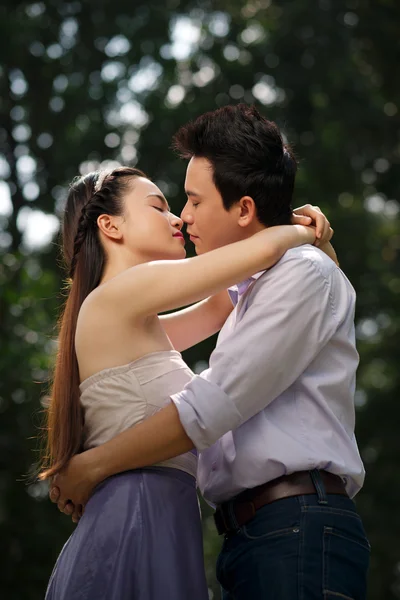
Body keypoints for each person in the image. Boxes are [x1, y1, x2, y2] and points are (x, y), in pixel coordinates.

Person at [50, 104, 370, 599]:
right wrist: (299, 231)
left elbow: (222, 307)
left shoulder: (140, 323)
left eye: (190, 201)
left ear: (241, 206)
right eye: (161, 206)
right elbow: (248, 268)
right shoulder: (121, 296)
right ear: (111, 227)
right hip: (154, 519)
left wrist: (306, 247)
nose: (180, 217)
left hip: (244, 524)